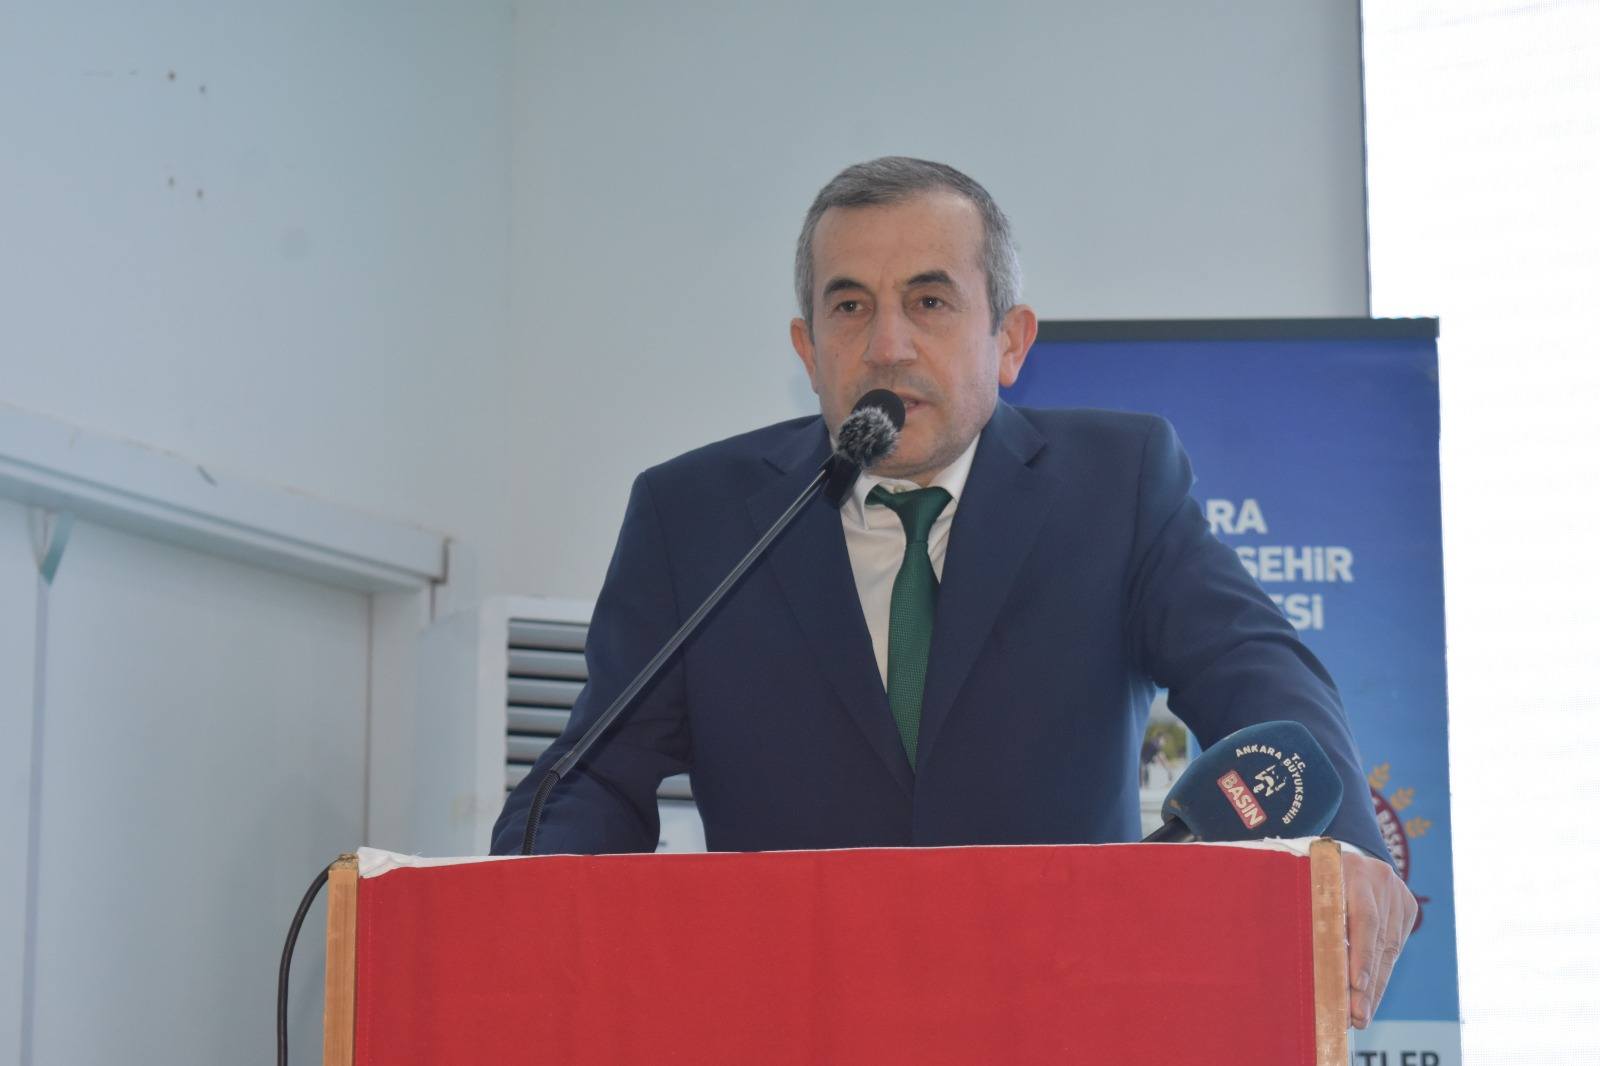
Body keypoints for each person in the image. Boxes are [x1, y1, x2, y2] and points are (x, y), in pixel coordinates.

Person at [492, 157, 1416, 1028]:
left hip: (1061, 1015)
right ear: (808, 349)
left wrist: (1339, 849)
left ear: (1009, 340)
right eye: (849, 306)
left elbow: (1253, 668)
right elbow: (595, 772)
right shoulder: (697, 517)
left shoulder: (1115, 483)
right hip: (789, 1020)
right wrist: (508, 913)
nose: (886, 346)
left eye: (929, 301)